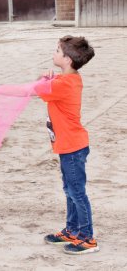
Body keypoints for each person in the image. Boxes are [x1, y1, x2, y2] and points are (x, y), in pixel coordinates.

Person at [35, 35, 98, 255]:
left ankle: (87, 238)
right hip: (68, 146)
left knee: (77, 192)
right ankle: (72, 231)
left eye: (57, 51)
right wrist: (49, 79)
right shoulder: (69, 79)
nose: (54, 53)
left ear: (68, 60)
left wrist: (45, 80)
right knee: (69, 190)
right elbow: (47, 89)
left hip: (72, 147)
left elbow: (38, 90)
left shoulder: (63, 84)